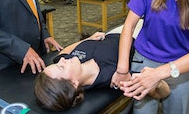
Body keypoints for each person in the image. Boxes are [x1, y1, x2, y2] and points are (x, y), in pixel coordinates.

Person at [34, 32, 170, 112]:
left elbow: (62, 53)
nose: (62, 60)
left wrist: (87, 39)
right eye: (61, 67)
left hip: (115, 32)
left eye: (58, 63)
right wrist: (157, 78)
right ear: (73, 84)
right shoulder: (114, 77)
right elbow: (163, 93)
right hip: (138, 37)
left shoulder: (72, 61)